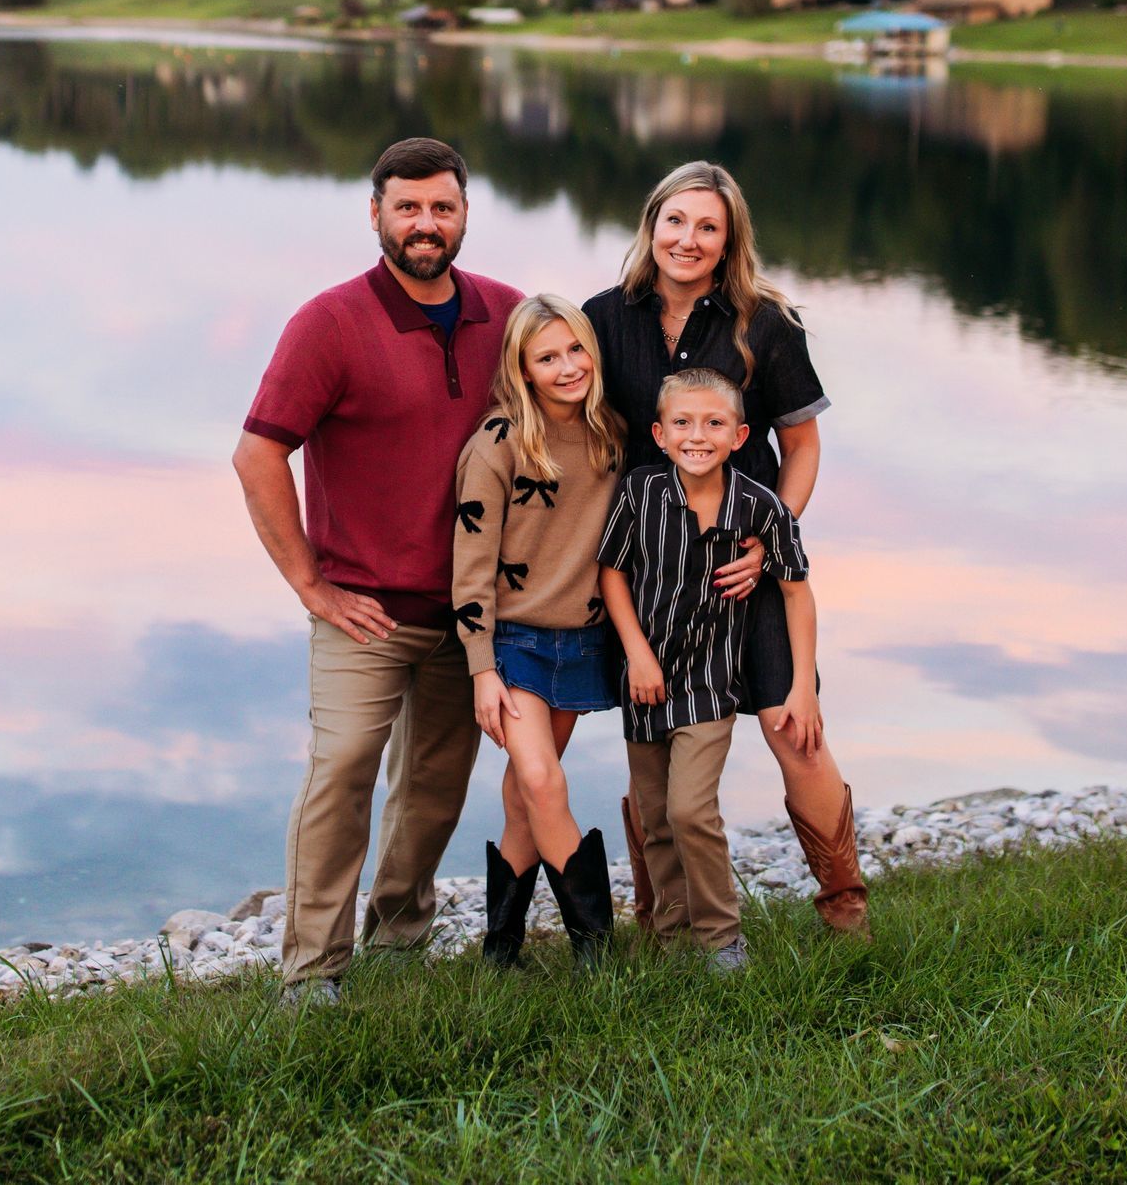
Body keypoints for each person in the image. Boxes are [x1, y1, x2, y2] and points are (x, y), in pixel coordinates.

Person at [233, 137, 522, 1005]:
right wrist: (310, 585)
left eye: (442, 207)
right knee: (346, 767)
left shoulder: (509, 316)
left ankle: (399, 937)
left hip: (473, 611)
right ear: (376, 214)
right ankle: (313, 968)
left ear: (466, 213)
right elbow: (257, 458)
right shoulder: (327, 323)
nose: (425, 224)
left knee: (435, 784)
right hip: (362, 606)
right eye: (408, 207)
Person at [585, 160, 869, 936]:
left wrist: (771, 538)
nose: (688, 238)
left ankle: (846, 910)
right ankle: (664, 917)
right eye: (675, 221)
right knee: (658, 741)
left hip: (751, 571)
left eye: (707, 225)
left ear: (729, 237)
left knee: (792, 724)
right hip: (651, 577)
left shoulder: (765, 323)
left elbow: (801, 444)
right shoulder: (604, 319)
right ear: (651, 225)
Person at [597, 368, 816, 971]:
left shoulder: (760, 506)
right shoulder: (640, 492)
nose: (698, 436)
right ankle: (669, 938)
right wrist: (637, 655)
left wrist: (802, 687)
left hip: (709, 685)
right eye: (683, 424)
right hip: (643, 681)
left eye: (714, 423)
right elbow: (611, 574)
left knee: (691, 808)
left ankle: (721, 938)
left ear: (740, 435)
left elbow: (797, 592)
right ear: (660, 434)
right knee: (656, 819)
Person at [452, 294, 626, 966]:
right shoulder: (497, 445)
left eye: (576, 350)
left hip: (580, 641)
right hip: (513, 643)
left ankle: (501, 948)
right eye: (547, 357)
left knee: (527, 794)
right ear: (522, 369)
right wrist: (481, 669)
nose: (566, 367)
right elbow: (470, 568)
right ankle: (597, 953)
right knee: (544, 783)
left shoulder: (610, 434)